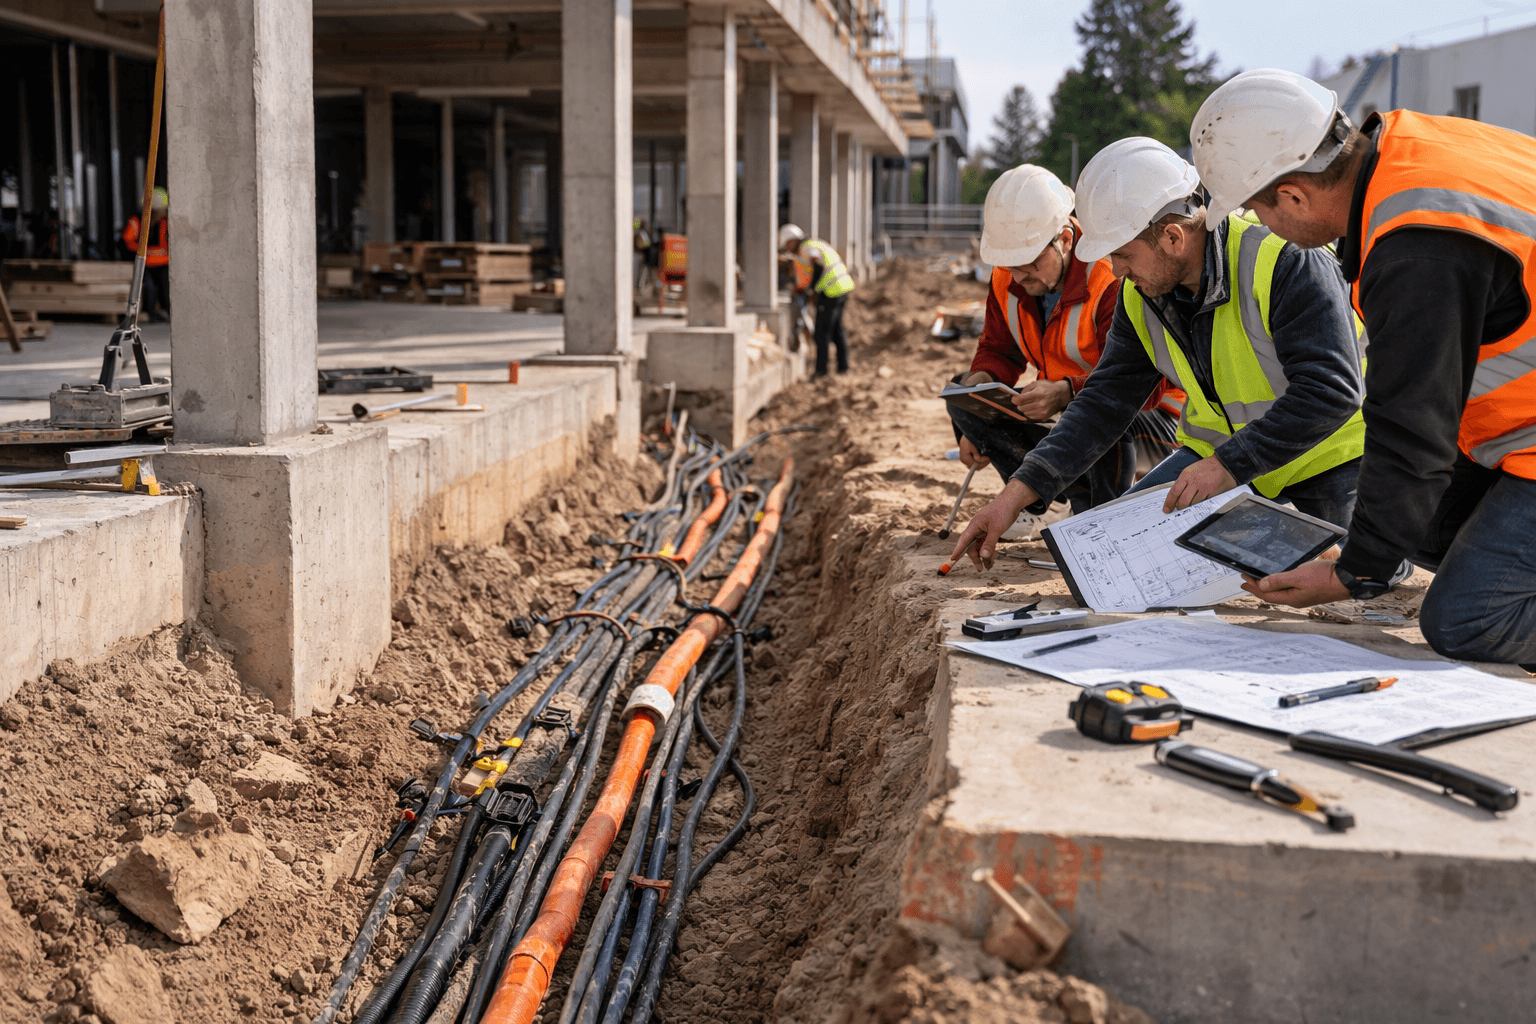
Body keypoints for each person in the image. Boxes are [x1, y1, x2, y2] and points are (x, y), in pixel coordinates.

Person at [1189, 67, 1536, 665]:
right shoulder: (1410, 148)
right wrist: (1372, 547)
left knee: (1466, 620)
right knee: (1417, 520)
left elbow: (1413, 426)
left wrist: (1356, 576)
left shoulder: (1416, 246)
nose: (1261, 225)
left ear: (1294, 194)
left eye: (1257, 209)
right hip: (1514, 433)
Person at [948, 138, 1370, 572]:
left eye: (1122, 254)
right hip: (1218, 460)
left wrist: (1228, 464)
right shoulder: (1142, 295)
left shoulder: (1286, 261)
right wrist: (1011, 500)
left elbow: (1331, 393)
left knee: (1349, 569)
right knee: (1113, 552)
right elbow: (1102, 404)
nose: (1115, 271)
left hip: (1326, 458)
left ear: (1172, 237)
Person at [950, 164, 1183, 530]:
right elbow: (999, 350)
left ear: (1065, 239)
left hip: (1156, 419)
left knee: (1105, 416)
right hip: (1065, 407)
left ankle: (1099, 523)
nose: (1019, 275)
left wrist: (1065, 392)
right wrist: (979, 397)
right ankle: (1047, 503)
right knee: (962, 389)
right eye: (1011, 265)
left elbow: (1134, 387)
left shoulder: (1110, 278)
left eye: (1030, 263)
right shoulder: (1009, 277)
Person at [779, 224, 854, 377]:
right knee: (836, 330)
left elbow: (818, 265)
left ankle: (821, 371)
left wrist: (811, 288)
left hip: (830, 290)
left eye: (788, 244)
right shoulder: (816, 243)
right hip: (841, 288)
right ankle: (843, 368)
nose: (788, 248)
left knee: (822, 332)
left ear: (792, 241)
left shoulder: (806, 248)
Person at [123, 188, 170, 322]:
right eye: (163, 209)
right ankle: (151, 313)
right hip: (143, 262)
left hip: (162, 261)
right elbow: (128, 242)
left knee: (165, 287)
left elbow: (166, 242)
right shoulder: (136, 221)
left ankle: (166, 311)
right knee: (149, 288)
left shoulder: (163, 222)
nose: (165, 211)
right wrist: (144, 251)